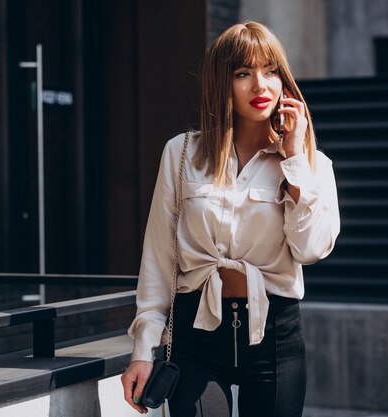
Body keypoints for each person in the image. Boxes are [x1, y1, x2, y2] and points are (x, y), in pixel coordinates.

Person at [120, 21, 340, 417]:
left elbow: (310, 249)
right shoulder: (181, 152)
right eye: (243, 73)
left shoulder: (311, 164)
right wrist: (143, 350)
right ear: (222, 83)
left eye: (270, 71)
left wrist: (293, 162)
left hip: (275, 339)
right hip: (195, 338)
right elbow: (157, 262)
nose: (261, 86)